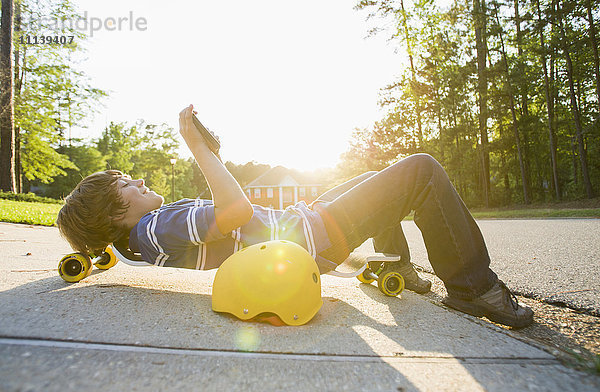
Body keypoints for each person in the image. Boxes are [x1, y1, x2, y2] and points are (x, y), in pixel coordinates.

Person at [57, 104, 534, 328]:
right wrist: (199, 149)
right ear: (115, 212)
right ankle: (474, 288)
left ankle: (397, 263)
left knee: (377, 176)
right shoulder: (154, 226)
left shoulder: (145, 236)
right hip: (312, 238)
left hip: (305, 226)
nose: (138, 182)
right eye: (126, 186)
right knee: (421, 171)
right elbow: (238, 210)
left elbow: (232, 216)